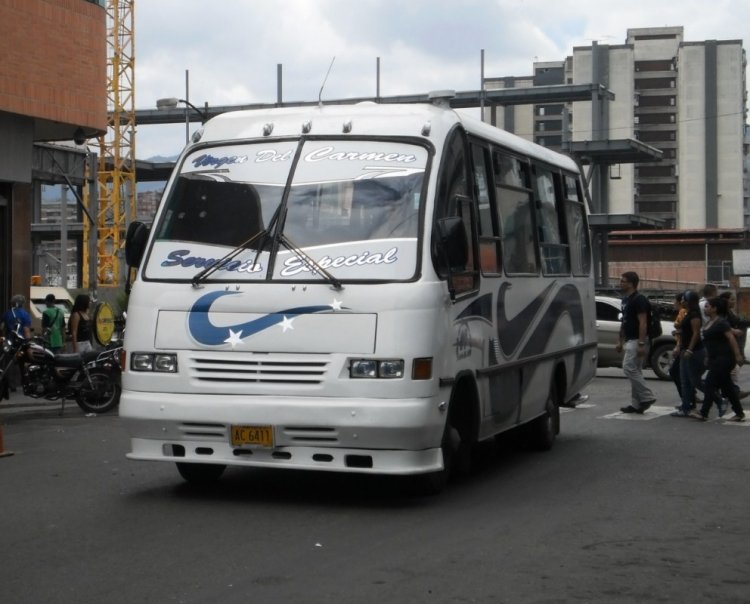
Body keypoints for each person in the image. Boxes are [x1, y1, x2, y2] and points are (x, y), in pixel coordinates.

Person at [690, 296, 745, 422]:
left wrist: (738, 355)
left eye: (708, 306)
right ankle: (739, 413)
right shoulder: (710, 322)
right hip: (715, 358)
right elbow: (710, 342)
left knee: (709, 383)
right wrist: (708, 357)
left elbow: (731, 338)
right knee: (728, 387)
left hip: (725, 358)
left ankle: (704, 412)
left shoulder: (721, 322)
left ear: (714, 309)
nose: (705, 308)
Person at [616, 271, 656, 413]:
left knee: (628, 368)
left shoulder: (639, 300)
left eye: (623, 281)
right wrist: (620, 341)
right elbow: (624, 322)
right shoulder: (626, 300)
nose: (620, 283)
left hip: (638, 340)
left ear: (631, 284)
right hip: (630, 339)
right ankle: (636, 404)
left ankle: (647, 396)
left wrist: (641, 343)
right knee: (636, 371)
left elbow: (643, 323)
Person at [671, 290, 705, 417]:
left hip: (692, 351)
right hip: (685, 349)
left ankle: (719, 398)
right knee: (686, 380)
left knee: (693, 380)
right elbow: (686, 330)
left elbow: (696, 333)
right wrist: (679, 334)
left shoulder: (694, 314)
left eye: (684, 299)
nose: (681, 301)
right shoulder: (688, 313)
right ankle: (686, 406)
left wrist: (689, 349)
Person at [0, 294, 32, 393]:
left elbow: (1, 328)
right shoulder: (25, 314)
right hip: (21, 343)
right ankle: (24, 383)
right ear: (22, 303)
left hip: (9, 342)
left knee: (9, 363)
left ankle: (11, 384)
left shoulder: (7, 314)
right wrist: (29, 344)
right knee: (23, 363)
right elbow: (26, 330)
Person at [668, 292, 686, 399]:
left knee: (675, 372)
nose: (673, 302)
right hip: (685, 346)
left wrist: (678, 346)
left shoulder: (683, 312)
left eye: (674, 300)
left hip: (684, 347)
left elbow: (683, 330)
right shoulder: (683, 312)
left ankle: (686, 399)